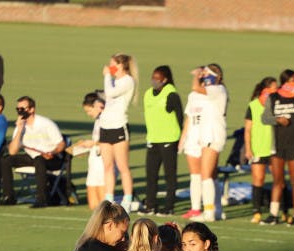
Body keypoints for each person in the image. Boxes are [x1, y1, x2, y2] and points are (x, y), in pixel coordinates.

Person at [261, 69, 294, 226]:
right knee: (278, 180)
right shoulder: (274, 97)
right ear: (285, 82)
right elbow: (265, 118)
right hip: (279, 144)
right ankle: (273, 214)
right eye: (292, 80)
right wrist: (278, 119)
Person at [0, 96, 66, 208]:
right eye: (18, 109)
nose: (20, 112)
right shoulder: (20, 126)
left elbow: (61, 144)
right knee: (6, 160)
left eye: (22, 109)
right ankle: (9, 197)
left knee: (39, 159)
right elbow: (12, 151)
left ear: (32, 109)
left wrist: (52, 152)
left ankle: (42, 199)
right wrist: (19, 129)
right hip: (33, 157)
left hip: (52, 158)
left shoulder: (46, 123)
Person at [179, 64, 228, 222]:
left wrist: (197, 75)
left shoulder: (218, 89)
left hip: (213, 136)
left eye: (207, 73)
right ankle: (217, 210)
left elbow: (195, 86)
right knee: (212, 176)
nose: (204, 75)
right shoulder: (201, 94)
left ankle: (208, 213)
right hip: (205, 136)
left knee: (206, 175)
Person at [141, 65, 183, 216]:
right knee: (151, 175)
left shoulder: (171, 94)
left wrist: (181, 139)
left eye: (158, 79)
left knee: (169, 176)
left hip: (169, 139)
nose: (154, 81)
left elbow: (180, 117)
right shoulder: (147, 94)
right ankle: (150, 205)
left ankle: (169, 207)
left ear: (165, 79)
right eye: (153, 78)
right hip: (153, 139)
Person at [98, 53, 137, 212]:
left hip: (119, 126)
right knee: (107, 166)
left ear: (120, 65)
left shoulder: (128, 81)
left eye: (112, 64)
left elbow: (111, 93)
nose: (110, 66)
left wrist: (107, 76)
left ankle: (127, 200)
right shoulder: (116, 80)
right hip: (105, 126)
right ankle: (109, 199)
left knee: (122, 166)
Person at [245, 77, 276, 224]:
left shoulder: (277, 104)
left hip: (274, 148)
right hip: (258, 148)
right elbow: (248, 130)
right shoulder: (253, 105)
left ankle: (280, 210)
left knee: (278, 180)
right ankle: (256, 211)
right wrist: (248, 149)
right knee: (258, 179)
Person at [70, 91, 106, 210]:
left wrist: (92, 143)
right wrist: (84, 147)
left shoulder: (107, 119)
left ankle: (129, 202)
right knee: (93, 205)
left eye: (89, 111)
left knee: (103, 205)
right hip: (94, 160)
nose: (88, 114)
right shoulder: (98, 120)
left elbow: (111, 141)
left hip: (103, 161)